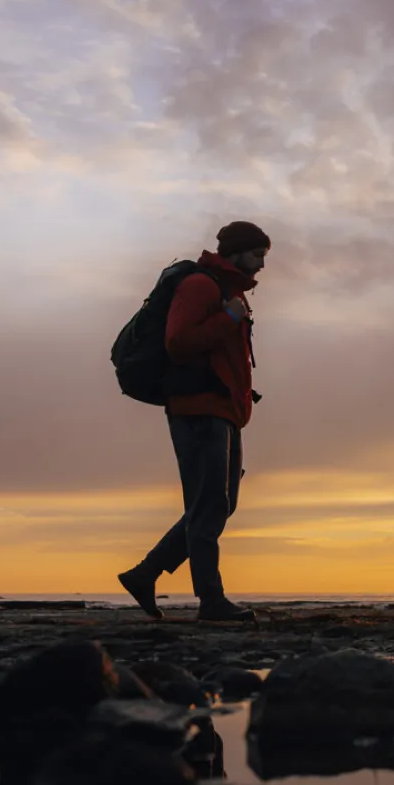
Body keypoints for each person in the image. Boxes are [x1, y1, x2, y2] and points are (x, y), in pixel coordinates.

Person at [117, 221, 269, 622]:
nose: (261, 265)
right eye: (257, 255)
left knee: (220, 504)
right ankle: (211, 601)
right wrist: (228, 318)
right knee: (209, 505)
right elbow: (177, 342)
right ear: (236, 252)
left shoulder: (229, 292)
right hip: (199, 408)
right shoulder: (201, 286)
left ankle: (145, 574)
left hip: (223, 410)